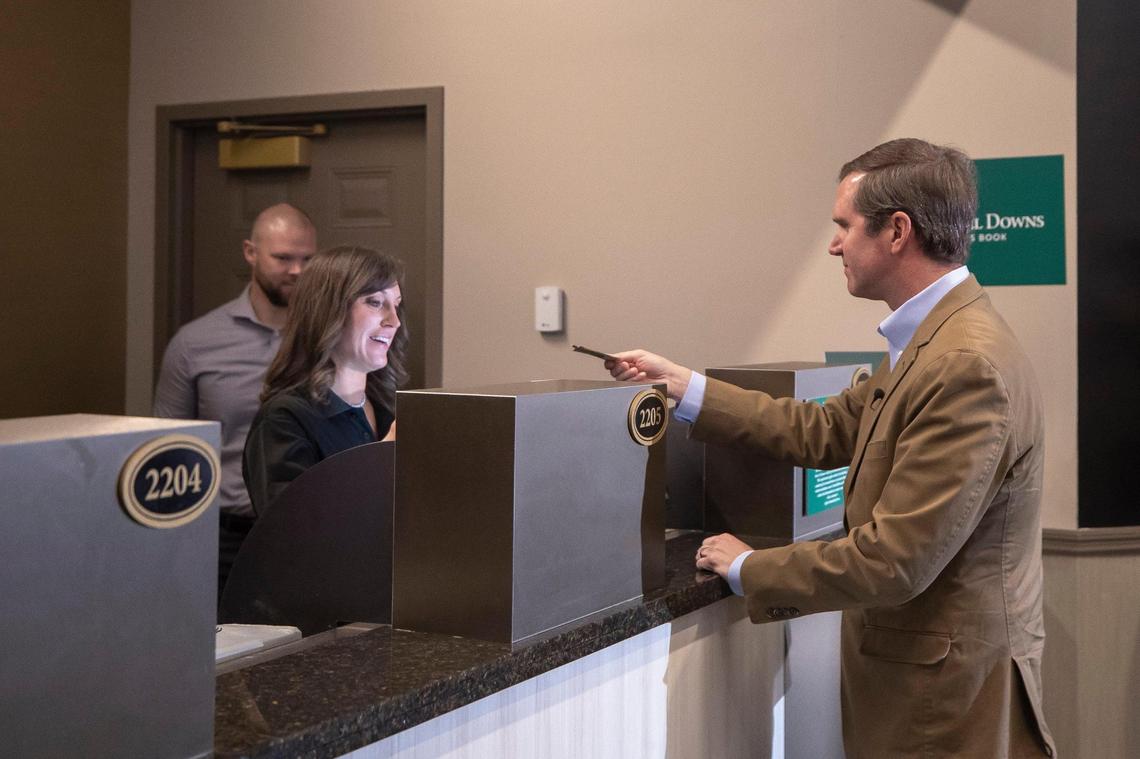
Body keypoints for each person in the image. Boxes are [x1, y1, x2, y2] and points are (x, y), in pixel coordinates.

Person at [607, 139, 1055, 757]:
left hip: (942, 706)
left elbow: (894, 559)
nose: (833, 244)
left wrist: (748, 568)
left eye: (844, 226)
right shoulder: (937, 337)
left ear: (897, 231)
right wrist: (685, 387)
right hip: (927, 684)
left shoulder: (962, 363)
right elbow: (823, 429)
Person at [153, 202, 317, 598]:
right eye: (282, 258)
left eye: (307, 259)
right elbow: (167, 450)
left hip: (312, 531)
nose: (296, 270)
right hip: (223, 537)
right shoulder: (195, 343)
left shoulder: (332, 341)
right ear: (250, 253)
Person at [242, 246, 408, 515]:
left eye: (396, 305)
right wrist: (383, 456)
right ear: (329, 309)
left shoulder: (387, 408)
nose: (394, 321)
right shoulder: (284, 419)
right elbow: (295, 531)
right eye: (376, 302)